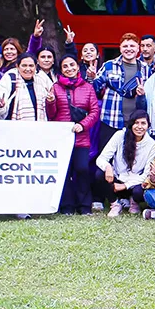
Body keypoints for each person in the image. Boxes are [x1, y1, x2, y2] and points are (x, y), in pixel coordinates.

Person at [48, 54, 102, 214]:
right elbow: (51, 114)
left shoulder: (87, 87)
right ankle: (66, 206)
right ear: (61, 70)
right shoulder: (55, 87)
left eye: (72, 65)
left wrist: (82, 125)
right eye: (65, 66)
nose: (69, 69)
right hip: (62, 137)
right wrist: (50, 102)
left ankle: (84, 206)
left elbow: (94, 111)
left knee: (82, 170)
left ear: (78, 67)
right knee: (65, 172)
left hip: (81, 137)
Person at [95, 110, 155, 216]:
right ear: (131, 124)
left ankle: (134, 202)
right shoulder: (120, 135)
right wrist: (108, 166)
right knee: (99, 174)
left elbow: (146, 174)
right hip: (118, 179)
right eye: (136, 123)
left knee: (140, 190)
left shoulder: (151, 144)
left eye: (143, 123)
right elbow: (101, 159)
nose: (139, 127)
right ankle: (115, 204)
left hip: (135, 182)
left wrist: (125, 185)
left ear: (148, 126)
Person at [93, 33, 150, 145]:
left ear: (138, 48)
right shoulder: (108, 66)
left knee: (131, 156)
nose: (128, 49)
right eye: (125, 46)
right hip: (110, 120)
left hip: (135, 123)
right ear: (120, 48)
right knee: (106, 156)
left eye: (132, 46)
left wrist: (142, 94)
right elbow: (95, 91)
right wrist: (92, 79)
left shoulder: (145, 68)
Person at [0, 54, 54, 121]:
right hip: (14, 127)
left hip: (39, 127)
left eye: (31, 66)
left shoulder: (42, 80)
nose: (28, 69)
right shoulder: (10, 79)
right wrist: (0, 106)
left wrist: (51, 100)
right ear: (17, 66)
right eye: (24, 65)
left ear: (35, 66)